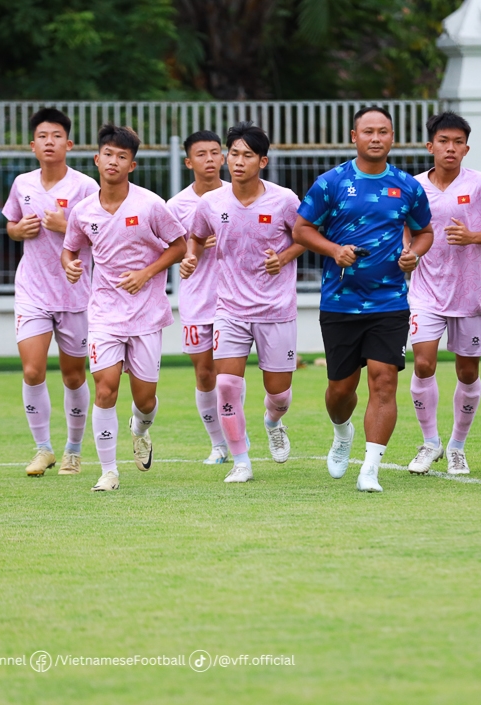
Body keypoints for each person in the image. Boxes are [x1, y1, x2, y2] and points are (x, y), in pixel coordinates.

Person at [292, 106, 434, 493]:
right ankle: (342, 432)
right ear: (354, 136)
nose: (376, 138)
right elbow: (302, 229)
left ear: (393, 138)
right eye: (368, 131)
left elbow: (424, 232)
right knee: (341, 390)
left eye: (383, 131)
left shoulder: (407, 186)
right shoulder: (331, 182)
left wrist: (414, 253)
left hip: (389, 302)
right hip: (339, 301)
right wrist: (334, 250)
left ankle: (370, 467)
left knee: (384, 381)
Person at [62, 124, 187, 491]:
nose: (113, 162)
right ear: (96, 159)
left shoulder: (149, 204)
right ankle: (108, 471)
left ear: (132, 165)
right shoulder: (83, 211)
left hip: (147, 313)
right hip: (103, 312)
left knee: (145, 399)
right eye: (108, 155)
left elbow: (178, 246)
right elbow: (71, 248)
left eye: (122, 156)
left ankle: (140, 427)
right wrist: (69, 263)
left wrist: (147, 273)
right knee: (105, 389)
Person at [180, 122, 304, 483]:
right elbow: (196, 234)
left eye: (247, 155)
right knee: (226, 386)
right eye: (233, 153)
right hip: (229, 309)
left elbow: (305, 237)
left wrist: (282, 258)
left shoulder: (284, 199)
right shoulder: (211, 202)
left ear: (262, 161)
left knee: (279, 394)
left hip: (276, 310)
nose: (237, 161)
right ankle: (241, 461)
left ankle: (273, 421)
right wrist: (190, 256)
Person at [406, 111, 481, 476]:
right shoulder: (413, 186)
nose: (450, 148)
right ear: (430, 145)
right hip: (425, 292)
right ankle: (430, 441)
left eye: (457, 143)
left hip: (469, 294)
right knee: (423, 363)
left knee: (467, 372)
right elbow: (407, 230)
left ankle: (457, 446)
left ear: (466, 148)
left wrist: (472, 237)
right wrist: (408, 254)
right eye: (443, 141)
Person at [2, 107, 99, 478]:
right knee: (32, 370)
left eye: (56, 136)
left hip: (74, 293)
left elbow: (99, 234)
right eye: (42, 136)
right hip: (32, 291)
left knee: (74, 376)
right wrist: (17, 231)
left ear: (69, 144)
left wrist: (67, 225)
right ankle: (43, 449)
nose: (49, 142)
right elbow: (11, 225)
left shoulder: (85, 188)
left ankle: (74, 451)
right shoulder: (22, 184)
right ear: (32, 145)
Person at [167, 130, 232, 465]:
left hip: (233, 300)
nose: (210, 159)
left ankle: (237, 433)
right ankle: (218, 443)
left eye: (215, 152)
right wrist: (188, 254)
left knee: (227, 376)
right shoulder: (176, 206)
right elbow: (164, 250)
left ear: (223, 157)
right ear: (188, 161)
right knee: (205, 373)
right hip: (196, 300)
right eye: (201, 154)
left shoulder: (238, 196)